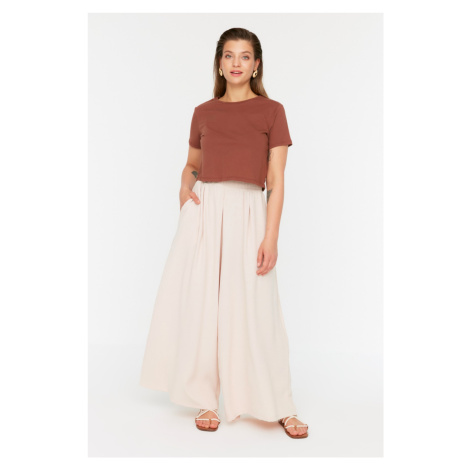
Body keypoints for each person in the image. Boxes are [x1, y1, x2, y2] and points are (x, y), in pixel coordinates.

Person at [140, 27, 308, 439]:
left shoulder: (272, 111)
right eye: (229, 55)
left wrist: (271, 237)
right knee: (203, 305)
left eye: (245, 56)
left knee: (258, 309)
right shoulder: (203, 112)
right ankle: (205, 397)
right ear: (219, 63)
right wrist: (184, 189)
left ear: (256, 65)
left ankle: (279, 403)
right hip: (205, 212)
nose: (236, 63)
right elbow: (192, 164)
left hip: (250, 211)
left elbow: (276, 180)